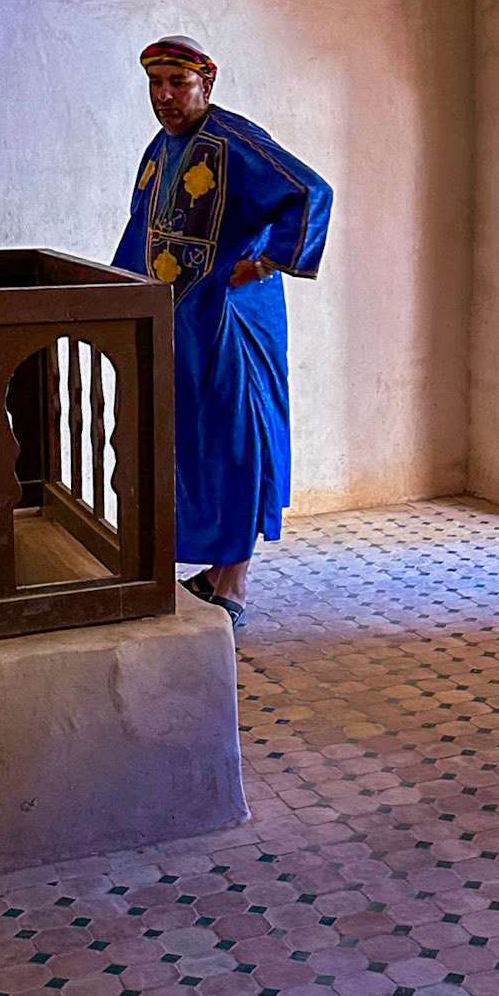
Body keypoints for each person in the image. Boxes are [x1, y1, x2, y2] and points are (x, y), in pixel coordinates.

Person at [114, 37, 331, 628]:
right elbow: (145, 229)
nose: (164, 96)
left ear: (205, 86)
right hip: (186, 318)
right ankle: (213, 568)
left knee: (238, 440)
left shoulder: (235, 141)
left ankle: (233, 581)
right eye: (155, 83)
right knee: (198, 439)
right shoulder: (160, 150)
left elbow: (309, 192)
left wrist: (262, 263)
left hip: (235, 319)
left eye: (176, 84)